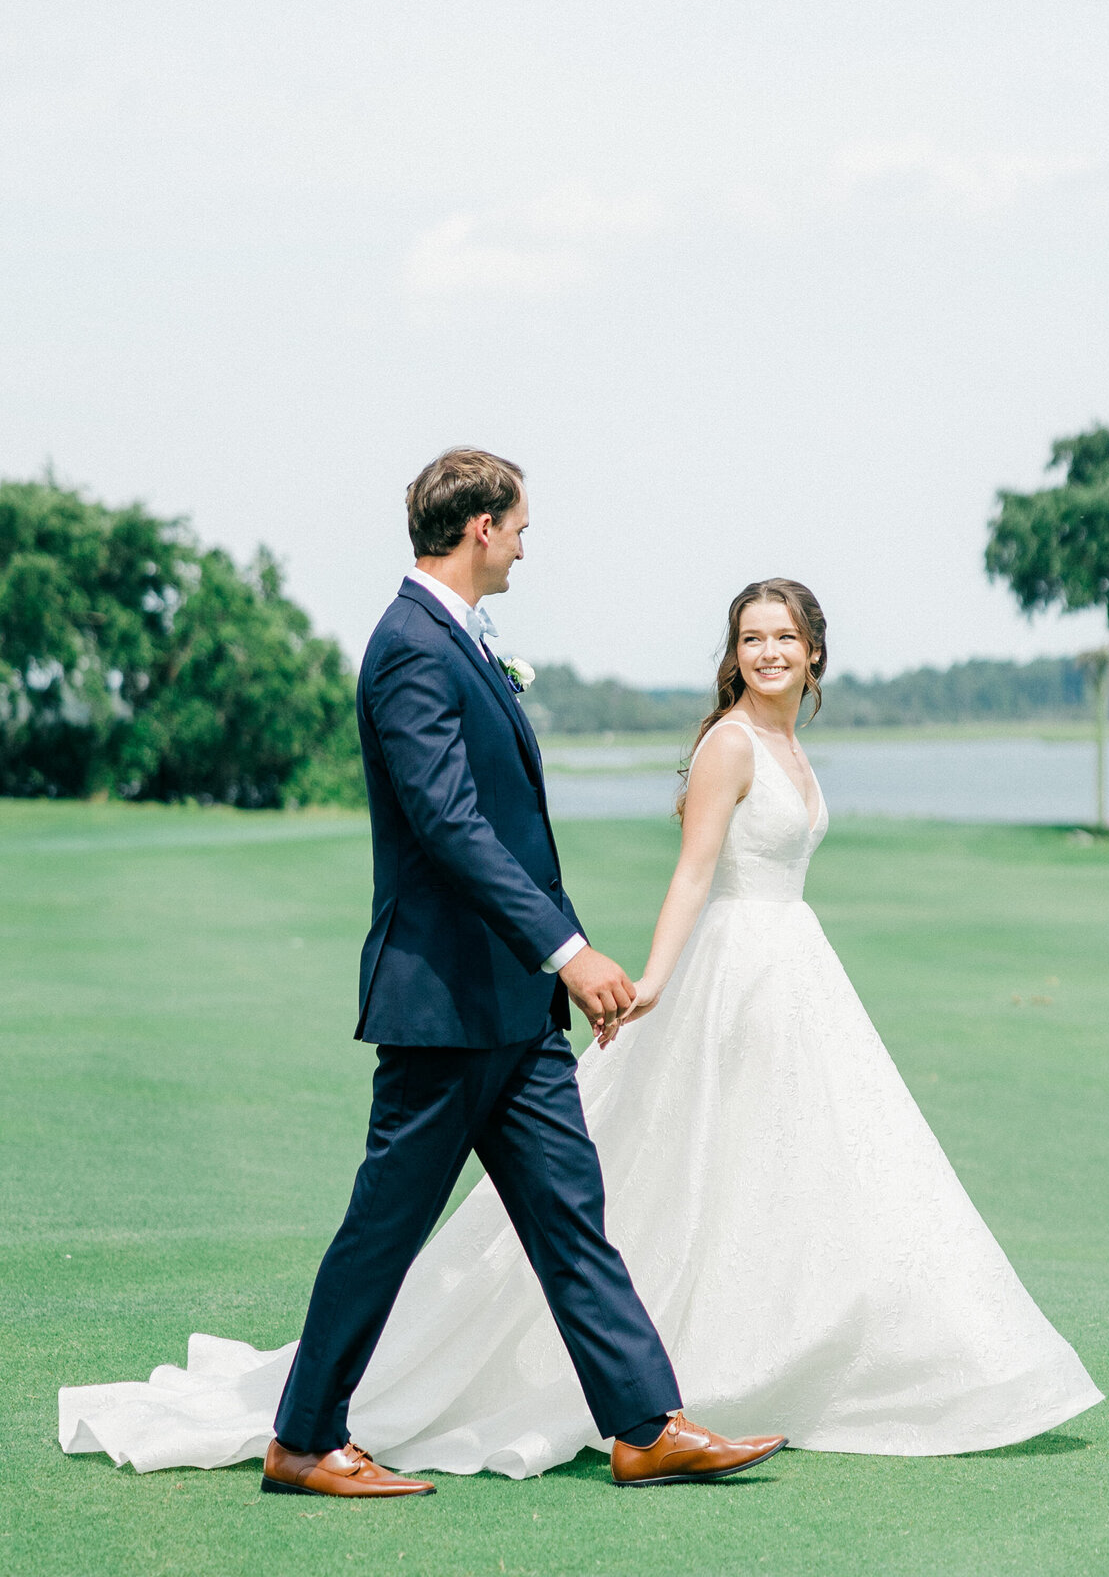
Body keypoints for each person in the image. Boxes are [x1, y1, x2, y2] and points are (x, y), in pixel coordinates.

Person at [59, 451, 785, 1497]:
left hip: (514, 1011)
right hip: (442, 1004)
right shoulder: (410, 646)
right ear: (481, 527)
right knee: (386, 1225)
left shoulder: (459, 642)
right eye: (521, 527)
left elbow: (511, 831)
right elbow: (450, 825)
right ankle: (304, 1439)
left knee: (573, 1217)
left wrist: (554, 964)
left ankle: (645, 1424)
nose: (529, 546)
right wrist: (572, 951)